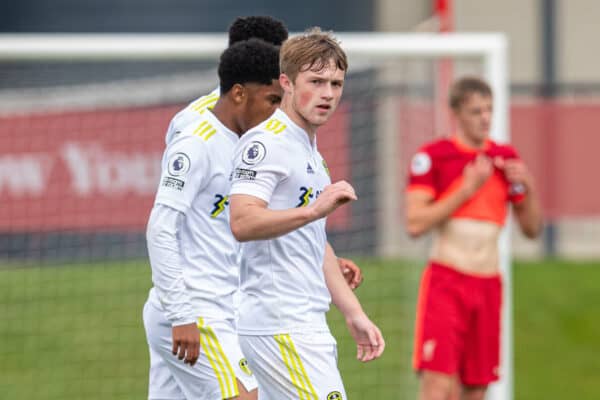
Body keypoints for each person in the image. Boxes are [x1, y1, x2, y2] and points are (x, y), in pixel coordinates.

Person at [228, 28, 385, 400]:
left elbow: (313, 240)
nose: (327, 94)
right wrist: (314, 209)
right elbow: (242, 222)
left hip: (302, 322)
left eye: (336, 83)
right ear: (286, 82)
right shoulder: (266, 143)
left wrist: (352, 311)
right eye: (315, 81)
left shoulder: (310, 151)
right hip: (281, 324)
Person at [165, 15, 363, 289]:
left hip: (247, 283)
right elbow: (183, 219)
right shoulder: (196, 126)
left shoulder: (284, 120)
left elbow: (280, 205)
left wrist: (318, 258)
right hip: (206, 288)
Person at [143, 38, 282, 400]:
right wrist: (181, 314)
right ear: (238, 93)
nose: (277, 112)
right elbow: (160, 229)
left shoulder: (252, 143)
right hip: (196, 311)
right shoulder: (196, 142)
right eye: (272, 100)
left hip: (226, 308)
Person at [405, 77, 543, 400]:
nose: (485, 118)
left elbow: (532, 229)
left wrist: (530, 187)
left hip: (488, 285)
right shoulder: (434, 156)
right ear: (456, 113)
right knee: (438, 386)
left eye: (489, 110)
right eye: (475, 111)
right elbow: (415, 223)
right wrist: (466, 188)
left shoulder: (505, 158)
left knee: (477, 387)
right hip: (447, 281)